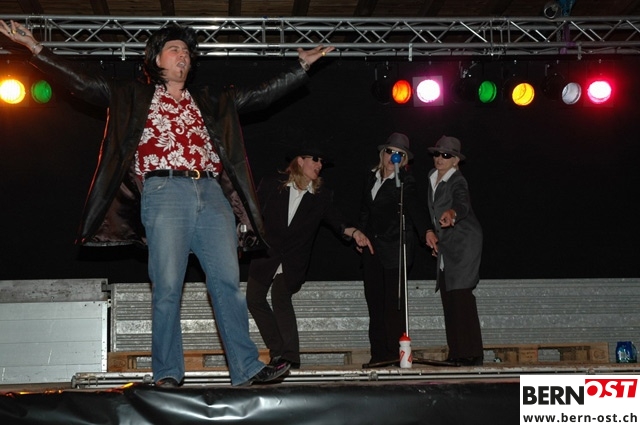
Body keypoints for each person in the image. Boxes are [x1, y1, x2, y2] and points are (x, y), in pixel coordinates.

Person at [0, 20, 334, 387]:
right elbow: (83, 83)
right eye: (175, 49)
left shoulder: (209, 99)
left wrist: (300, 67)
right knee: (168, 285)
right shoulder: (132, 95)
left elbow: (260, 95)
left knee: (227, 282)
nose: (183, 56)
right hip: (164, 191)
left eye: (187, 52)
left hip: (211, 193)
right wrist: (37, 49)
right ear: (156, 58)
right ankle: (168, 372)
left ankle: (246, 368)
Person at [246, 146, 374, 369]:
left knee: (280, 296)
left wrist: (355, 232)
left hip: (293, 259)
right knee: (253, 299)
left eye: (321, 162)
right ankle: (278, 350)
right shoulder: (272, 184)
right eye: (315, 159)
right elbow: (252, 213)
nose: (319, 165)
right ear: (300, 161)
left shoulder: (321, 195)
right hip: (267, 255)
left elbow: (336, 220)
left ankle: (289, 357)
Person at [356, 133, 429, 365]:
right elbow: (365, 210)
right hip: (372, 248)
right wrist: (360, 234)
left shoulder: (405, 181)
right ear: (383, 153)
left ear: (403, 159)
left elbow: (415, 208)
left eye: (399, 154)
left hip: (396, 247)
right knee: (374, 302)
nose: (392, 157)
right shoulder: (371, 177)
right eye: (390, 152)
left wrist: (426, 231)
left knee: (393, 305)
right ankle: (378, 355)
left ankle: (392, 354)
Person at [425, 135, 484, 366]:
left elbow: (462, 203)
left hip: (464, 241)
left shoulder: (457, 180)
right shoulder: (432, 177)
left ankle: (471, 353)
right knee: (449, 296)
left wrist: (452, 213)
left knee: (461, 295)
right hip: (447, 242)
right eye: (437, 154)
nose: (439, 158)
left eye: (446, 155)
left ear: (455, 160)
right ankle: (457, 352)